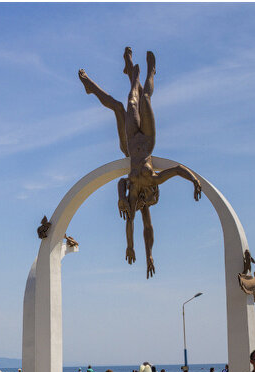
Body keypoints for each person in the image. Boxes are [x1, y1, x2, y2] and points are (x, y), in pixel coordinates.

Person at [79, 48, 203, 278]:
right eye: (148, 200)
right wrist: (194, 180)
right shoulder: (154, 178)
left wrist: (130, 245)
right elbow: (176, 170)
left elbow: (123, 191)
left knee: (127, 104)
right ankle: (147, 72)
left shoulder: (133, 195)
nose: (143, 203)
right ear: (152, 194)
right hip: (146, 140)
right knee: (143, 98)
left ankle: (123, 75)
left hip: (129, 144)